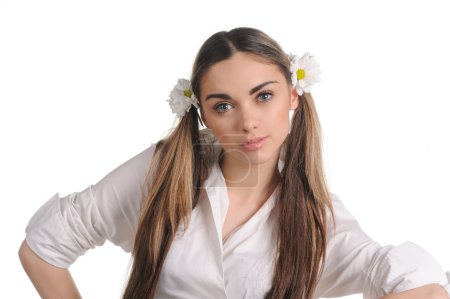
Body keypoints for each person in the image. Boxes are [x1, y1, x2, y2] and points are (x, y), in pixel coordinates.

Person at [19, 27, 450, 299]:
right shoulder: (164, 172)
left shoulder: (317, 218)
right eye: (223, 105)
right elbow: (43, 247)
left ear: (293, 96)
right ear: (203, 113)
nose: (247, 122)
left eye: (264, 96)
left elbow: (419, 283)